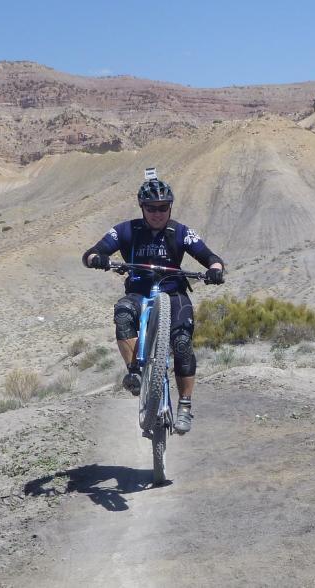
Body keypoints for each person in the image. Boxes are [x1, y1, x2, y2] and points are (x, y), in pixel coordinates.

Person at [81, 169, 225, 434]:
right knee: (123, 312)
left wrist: (215, 268)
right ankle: (135, 371)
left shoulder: (180, 232)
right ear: (142, 207)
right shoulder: (127, 230)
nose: (157, 213)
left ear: (170, 207)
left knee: (182, 343)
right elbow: (93, 251)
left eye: (163, 207)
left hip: (174, 293)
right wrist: (96, 258)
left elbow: (209, 255)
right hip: (138, 292)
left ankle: (184, 406)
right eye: (151, 208)